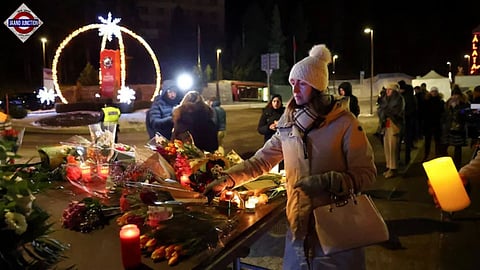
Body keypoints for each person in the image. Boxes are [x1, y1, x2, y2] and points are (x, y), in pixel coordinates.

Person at [204, 44, 376, 269]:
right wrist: (228, 179)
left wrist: (331, 181)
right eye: (293, 82)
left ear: (317, 86)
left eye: (302, 83)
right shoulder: (288, 125)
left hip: (336, 232)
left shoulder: (345, 124)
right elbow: (261, 161)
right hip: (298, 230)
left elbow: (367, 173)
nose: (295, 89)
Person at [377, 82, 405, 179]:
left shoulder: (399, 100)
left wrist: (385, 111)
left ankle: (393, 168)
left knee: (393, 148)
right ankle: (389, 167)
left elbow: (395, 112)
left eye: (390, 90)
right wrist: (383, 113)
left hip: (394, 125)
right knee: (387, 147)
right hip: (386, 125)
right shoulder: (385, 99)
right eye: (387, 90)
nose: (387, 91)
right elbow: (380, 110)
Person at [443, 85, 470, 169]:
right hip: (449, 127)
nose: (454, 96)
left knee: (458, 147)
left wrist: (459, 109)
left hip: (459, 127)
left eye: (456, 95)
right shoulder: (448, 103)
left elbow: (466, 112)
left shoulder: (464, 103)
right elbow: (445, 114)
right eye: (453, 95)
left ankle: (457, 164)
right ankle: (446, 161)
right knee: (445, 144)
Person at [422, 87, 445, 161]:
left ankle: (437, 154)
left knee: (437, 140)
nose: (434, 93)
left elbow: (442, 112)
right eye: (432, 91)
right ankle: (426, 154)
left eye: (435, 91)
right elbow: (423, 113)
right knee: (428, 141)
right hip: (428, 123)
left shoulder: (440, 101)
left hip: (436, 123)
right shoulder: (426, 101)